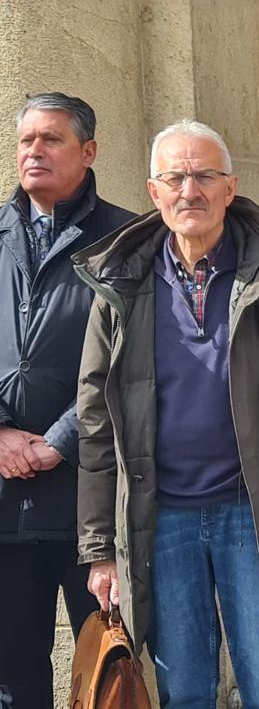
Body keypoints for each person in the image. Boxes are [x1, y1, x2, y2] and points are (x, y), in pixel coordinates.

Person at [75, 120, 259, 707]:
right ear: (154, 193)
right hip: (162, 520)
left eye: (205, 176)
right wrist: (102, 548)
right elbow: (97, 424)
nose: (190, 190)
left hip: (256, 518)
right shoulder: (120, 282)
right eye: (175, 178)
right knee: (185, 692)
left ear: (231, 188)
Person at [0, 93, 133, 708]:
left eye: (51, 140)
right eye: (26, 139)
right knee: (12, 676)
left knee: (105, 672)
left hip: (92, 502)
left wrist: (58, 441)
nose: (34, 151)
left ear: (88, 152)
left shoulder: (128, 240)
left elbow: (133, 365)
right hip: (3, 502)